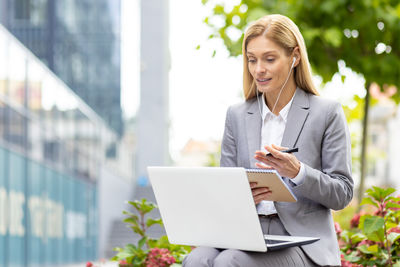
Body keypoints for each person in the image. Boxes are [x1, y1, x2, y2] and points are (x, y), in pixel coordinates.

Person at [183, 14, 353, 267]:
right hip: (245, 232)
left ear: (294, 56)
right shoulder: (237, 115)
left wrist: (298, 172)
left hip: (302, 241)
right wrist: (237, 195)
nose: (258, 69)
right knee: (197, 259)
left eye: (269, 59)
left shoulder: (326, 113)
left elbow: (342, 193)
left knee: (230, 262)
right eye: (252, 60)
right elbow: (226, 186)